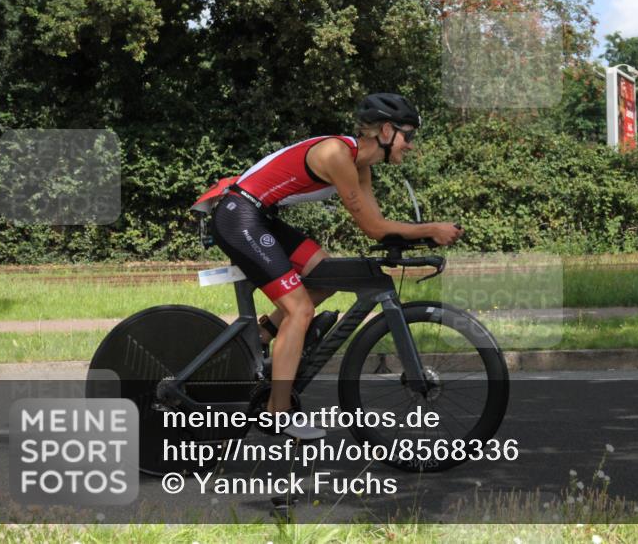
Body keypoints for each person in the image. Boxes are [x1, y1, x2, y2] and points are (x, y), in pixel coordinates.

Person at [191, 93, 463, 440]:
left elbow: (376, 223)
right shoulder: (337, 155)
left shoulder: (360, 165)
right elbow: (375, 229)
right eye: (408, 136)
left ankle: (263, 335)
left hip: (259, 216)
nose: (410, 146)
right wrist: (430, 230)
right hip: (239, 217)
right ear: (385, 130)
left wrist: (420, 237)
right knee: (300, 310)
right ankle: (278, 412)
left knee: (327, 275)